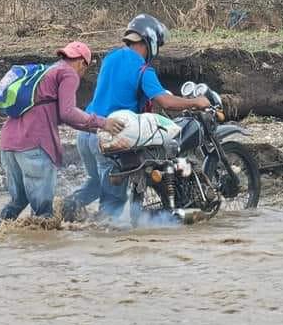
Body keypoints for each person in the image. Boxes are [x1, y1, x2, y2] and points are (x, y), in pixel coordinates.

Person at [65, 15, 211, 218]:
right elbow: (165, 102)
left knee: (96, 183)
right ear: (150, 41)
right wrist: (196, 102)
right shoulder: (144, 69)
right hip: (109, 139)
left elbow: (121, 90)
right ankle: (104, 239)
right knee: (114, 201)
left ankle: (61, 211)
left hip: (86, 133)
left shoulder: (111, 58)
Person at [0, 41, 124, 221]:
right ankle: (43, 246)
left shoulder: (45, 72)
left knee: (18, 202)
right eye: (84, 69)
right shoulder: (68, 73)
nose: (82, 73)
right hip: (34, 145)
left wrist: (96, 131)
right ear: (82, 63)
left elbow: (63, 117)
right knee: (43, 213)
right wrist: (103, 123)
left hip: (8, 143)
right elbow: (68, 112)